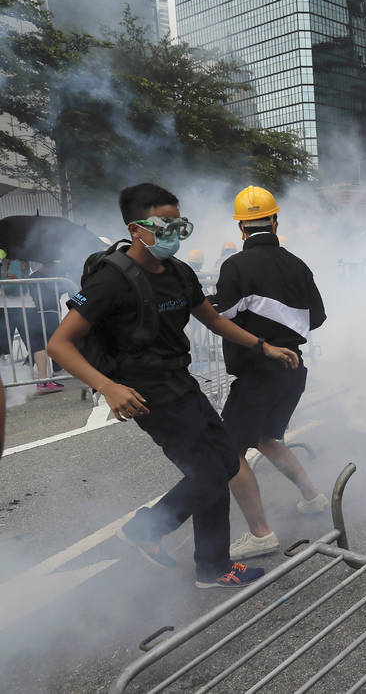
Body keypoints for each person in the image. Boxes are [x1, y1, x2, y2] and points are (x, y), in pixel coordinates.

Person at [47, 183, 300, 589]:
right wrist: (108, 387)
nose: (172, 233)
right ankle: (212, 568)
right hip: (143, 392)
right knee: (207, 473)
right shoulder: (110, 280)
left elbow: (213, 320)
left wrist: (263, 346)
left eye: (178, 224)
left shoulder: (180, 273)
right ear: (135, 228)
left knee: (225, 462)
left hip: (180, 380)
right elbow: (59, 343)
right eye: (163, 224)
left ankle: (147, 532)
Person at [210, 186, 328, 560]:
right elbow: (319, 317)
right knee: (265, 438)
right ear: (275, 220)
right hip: (293, 369)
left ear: (241, 227)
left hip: (259, 372)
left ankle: (260, 534)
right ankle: (313, 497)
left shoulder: (235, 266)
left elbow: (220, 317)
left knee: (230, 450)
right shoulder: (297, 263)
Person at [27, 261, 65, 393]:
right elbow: (74, 292)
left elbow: (72, 292)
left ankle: (46, 375)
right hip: (46, 314)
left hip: (38, 313)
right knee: (49, 343)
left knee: (41, 345)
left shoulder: (35, 277)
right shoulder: (56, 276)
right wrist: (81, 303)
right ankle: (53, 372)